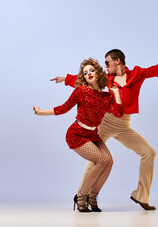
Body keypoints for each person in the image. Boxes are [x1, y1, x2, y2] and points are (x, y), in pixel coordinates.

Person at [51, 49, 158, 210]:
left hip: (124, 125)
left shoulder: (137, 74)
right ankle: (81, 196)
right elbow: (87, 81)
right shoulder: (107, 79)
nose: (105, 66)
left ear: (117, 61)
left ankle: (141, 195)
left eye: (107, 62)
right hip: (105, 122)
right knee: (96, 159)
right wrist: (66, 79)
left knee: (149, 153)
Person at [34, 58, 123, 212]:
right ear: (83, 77)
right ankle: (81, 196)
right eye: (85, 72)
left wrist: (116, 94)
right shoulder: (81, 91)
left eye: (92, 70)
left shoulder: (106, 97)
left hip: (93, 135)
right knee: (101, 160)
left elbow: (119, 112)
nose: (88, 73)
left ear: (99, 73)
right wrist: (41, 112)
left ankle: (93, 197)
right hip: (77, 134)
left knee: (109, 162)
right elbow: (63, 108)